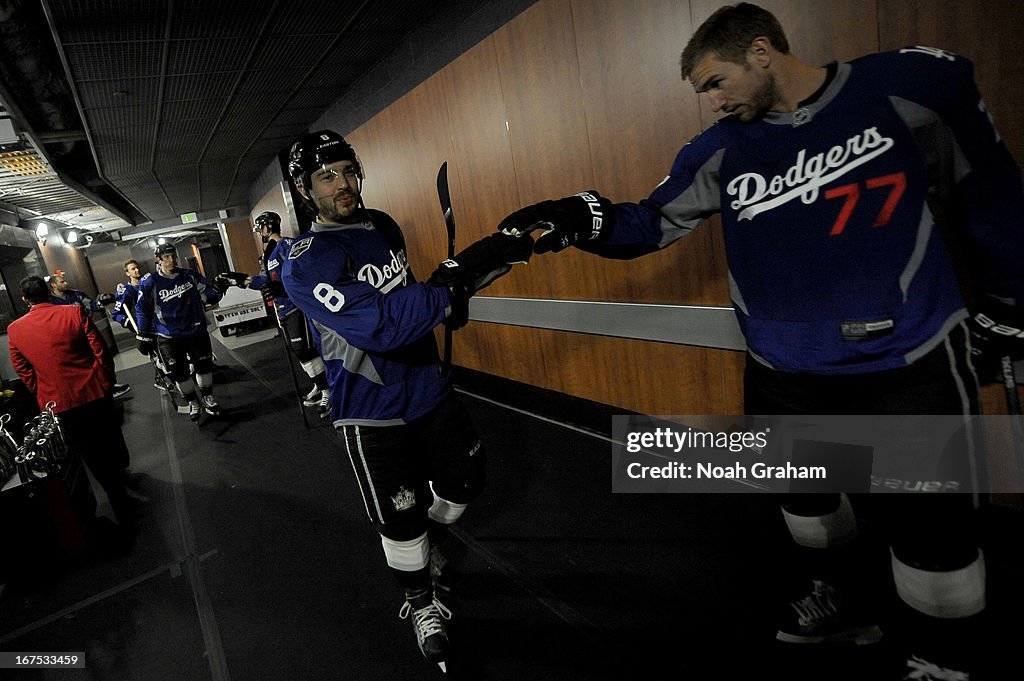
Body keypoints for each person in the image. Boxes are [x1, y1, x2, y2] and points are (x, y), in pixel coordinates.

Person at [496, 3, 1024, 677]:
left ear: (762, 52)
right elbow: (651, 222)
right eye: (703, 93)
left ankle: (944, 659)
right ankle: (844, 603)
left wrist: (1013, 299)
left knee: (932, 535)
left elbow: (990, 190)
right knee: (807, 502)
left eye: (717, 82)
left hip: (908, 358)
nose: (712, 101)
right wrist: (580, 216)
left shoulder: (909, 88)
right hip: (785, 368)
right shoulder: (720, 150)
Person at [279, 129, 532, 672]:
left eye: (348, 171)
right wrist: (447, 295)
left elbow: (409, 291)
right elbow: (381, 326)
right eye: (327, 177)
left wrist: (454, 294)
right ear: (305, 191)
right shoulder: (304, 262)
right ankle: (422, 604)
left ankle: (433, 541)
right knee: (399, 520)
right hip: (368, 408)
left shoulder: (384, 224)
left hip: (427, 386)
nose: (343, 185)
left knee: (467, 479)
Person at [8, 275, 138, 525]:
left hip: (59, 403)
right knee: (109, 440)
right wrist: (104, 380)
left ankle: (116, 498)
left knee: (88, 452)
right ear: (48, 292)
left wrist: (43, 392)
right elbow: (99, 350)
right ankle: (120, 487)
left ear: (25, 300)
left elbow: (23, 370)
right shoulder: (73, 312)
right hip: (93, 392)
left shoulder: (15, 330)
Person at [214, 211, 331, 417]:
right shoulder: (269, 253)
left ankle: (328, 391)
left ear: (267, 228)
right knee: (299, 352)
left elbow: (301, 274)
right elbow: (266, 281)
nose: (261, 233)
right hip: (282, 309)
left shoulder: (286, 245)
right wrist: (239, 280)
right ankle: (318, 384)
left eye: (261, 229)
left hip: (296, 307)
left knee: (304, 350)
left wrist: (283, 289)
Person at [135, 243, 224, 422]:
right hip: (168, 337)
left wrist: (218, 288)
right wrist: (142, 334)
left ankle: (207, 397)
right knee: (179, 374)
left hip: (196, 332)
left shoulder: (189, 276)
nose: (171, 260)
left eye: (173, 256)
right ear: (158, 260)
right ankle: (193, 402)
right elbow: (142, 309)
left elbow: (208, 295)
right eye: (166, 257)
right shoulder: (150, 282)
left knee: (204, 368)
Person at [49, 269, 131, 399]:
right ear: (53, 285)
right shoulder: (50, 302)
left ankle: (111, 386)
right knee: (83, 366)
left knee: (103, 359)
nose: (66, 283)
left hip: (87, 333)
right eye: (62, 281)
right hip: (68, 338)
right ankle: (94, 392)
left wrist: (101, 302)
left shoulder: (76, 295)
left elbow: (92, 305)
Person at [111, 259, 175, 394]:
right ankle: (163, 377)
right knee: (158, 354)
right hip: (144, 328)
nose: (137, 270)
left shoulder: (148, 283)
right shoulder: (126, 291)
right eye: (133, 269)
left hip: (160, 323)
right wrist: (128, 322)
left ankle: (170, 373)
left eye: (137, 267)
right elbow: (116, 314)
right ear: (127, 273)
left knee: (169, 349)